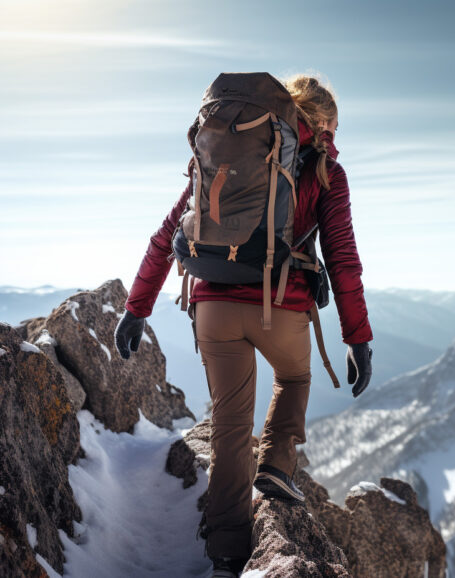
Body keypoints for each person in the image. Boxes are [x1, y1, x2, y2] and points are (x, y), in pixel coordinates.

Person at [114, 73, 373, 577]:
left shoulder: (216, 162)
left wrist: (136, 307)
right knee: (294, 377)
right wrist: (357, 338)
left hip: (211, 307)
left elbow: (168, 233)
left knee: (231, 426)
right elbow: (344, 260)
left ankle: (228, 553)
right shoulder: (325, 173)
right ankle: (276, 465)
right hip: (280, 309)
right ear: (324, 125)